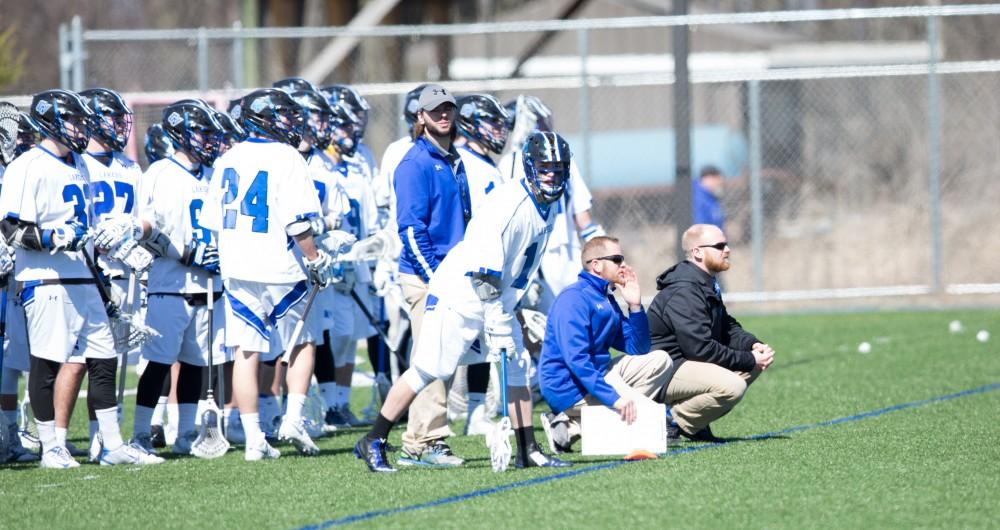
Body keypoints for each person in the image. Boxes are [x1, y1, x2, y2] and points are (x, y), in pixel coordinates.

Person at [354, 131, 575, 473]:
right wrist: (499, 318)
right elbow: (482, 271)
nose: (551, 175)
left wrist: (513, 306)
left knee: (517, 369)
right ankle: (374, 438)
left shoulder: (546, 204)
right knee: (430, 369)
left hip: (496, 298)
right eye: (545, 168)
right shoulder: (511, 204)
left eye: (558, 169)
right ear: (530, 167)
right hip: (463, 294)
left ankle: (527, 448)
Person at [0, 89, 159, 467]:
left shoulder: (81, 164)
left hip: (88, 275)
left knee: (104, 359)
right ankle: (52, 446)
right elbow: (10, 227)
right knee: (48, 363)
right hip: (47, 278)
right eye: (73, 120)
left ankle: (112, 444)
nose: (80, 128)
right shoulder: (29, 165)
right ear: (51, 121)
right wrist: (54, 237)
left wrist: (111, 239)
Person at [201, 88, 344, 461]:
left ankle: (253, 439)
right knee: (302, 342)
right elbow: (298, 220)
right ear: (262, 119)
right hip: (281, 266)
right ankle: (293, 417)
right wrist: (313, 258)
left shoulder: (227, 158)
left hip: (238, 266)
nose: (291, 124)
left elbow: (212, 221)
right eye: (283, 117)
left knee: (246, 352)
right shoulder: (287, 157)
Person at [391, 83, 469, 468]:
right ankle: (422, 443)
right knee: (431, 360)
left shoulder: (454, 158)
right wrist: (437, 277)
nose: (443, 115)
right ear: (420, 116)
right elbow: (410, 230)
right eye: (435, 109)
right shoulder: (415, 163)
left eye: (448, 109)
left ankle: (425, 438)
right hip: (427, 277)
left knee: (443, 358)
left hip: (451, 274)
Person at [537, 236, 673, 453]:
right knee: (648, 418)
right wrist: (614, 398)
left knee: (661, 361)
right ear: (596, 265)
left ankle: (573, 427)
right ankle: (572, 422)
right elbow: (577, 360)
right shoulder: (574, 299)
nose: (624, 265)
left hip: (599, 373)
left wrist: (635, 306)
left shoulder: (605, 298)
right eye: (617, 259)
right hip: (568, 386)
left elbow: (638, 348)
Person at [647, 224, 775, 442]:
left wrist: (753, 346)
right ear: (697, 252)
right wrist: (747, 358)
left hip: (686, 363)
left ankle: (693, 424)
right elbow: (699, 349)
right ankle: (671, 420)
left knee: (753, 365)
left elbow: (726, 326)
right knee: (732, 386)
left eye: (726, 244)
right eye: (719, 246)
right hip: (663, 371)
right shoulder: (685, 290)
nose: (727, 250)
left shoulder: (704, 282)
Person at [449, 93, 512, 436]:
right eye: (489, 123)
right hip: (466, 261)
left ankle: (475, 412)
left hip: (485, 261)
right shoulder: (463, 163)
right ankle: (437, 416)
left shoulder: (487, 165)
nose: (496, 131)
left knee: (482, 343)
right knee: (452, 344)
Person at [692, 165, 725, 230]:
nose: (719, 184)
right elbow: (700, 228)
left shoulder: (712, 197)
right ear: (708, 178)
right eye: (717, 180)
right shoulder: (697, 199)